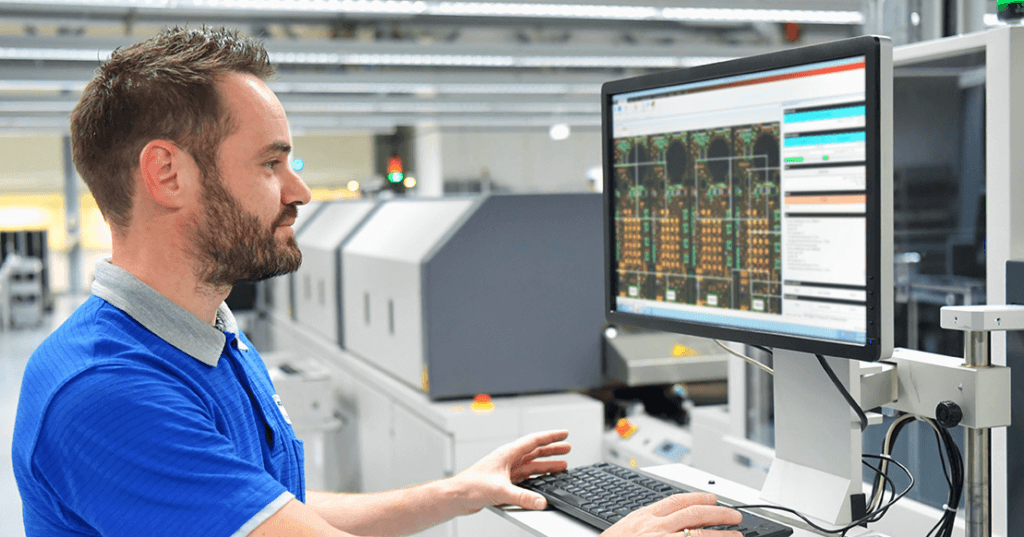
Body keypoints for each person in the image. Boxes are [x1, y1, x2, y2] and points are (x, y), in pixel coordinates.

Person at [10, 26, 744, 537]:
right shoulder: (109, 392)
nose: (299, 191)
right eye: (271, 164)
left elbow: (271, 511)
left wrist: (456, 491)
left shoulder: (206, 333)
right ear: (166, 173)